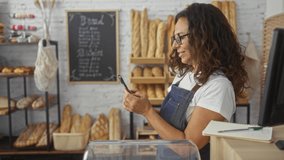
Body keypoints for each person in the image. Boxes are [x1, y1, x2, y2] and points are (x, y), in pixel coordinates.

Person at [123, 3, 248, 160]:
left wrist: (148, 111)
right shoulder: (184, 74)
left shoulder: (218, 86)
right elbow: (169, 126)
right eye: (174, 38)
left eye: (180, 37)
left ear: (203, 36)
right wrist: (142, 106)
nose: (175, 45)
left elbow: (188, 148)